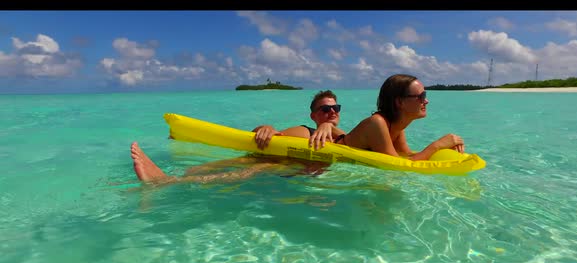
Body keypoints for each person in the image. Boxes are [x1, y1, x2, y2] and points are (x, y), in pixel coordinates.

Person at [132, 90, 346, 185]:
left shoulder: (345, 140)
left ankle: (166, 181)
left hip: (286, 172)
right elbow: (262, 139)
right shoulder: (305, 131)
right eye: (325, 109)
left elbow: (345, 137)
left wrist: (329, 127)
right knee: (240, 165)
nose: (332, 112)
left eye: (335, 107)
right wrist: (265, 127)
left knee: (253, 168)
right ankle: (165, 181)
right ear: (313, 115)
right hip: (278, 165)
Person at [336, 74, 465, 160]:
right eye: (421, 97)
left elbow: (406, 155)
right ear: (399, 102)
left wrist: (443, 149)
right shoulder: (377, 123)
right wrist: (437, 145)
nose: (426, 101)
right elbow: (398, 167)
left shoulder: (396, 124)